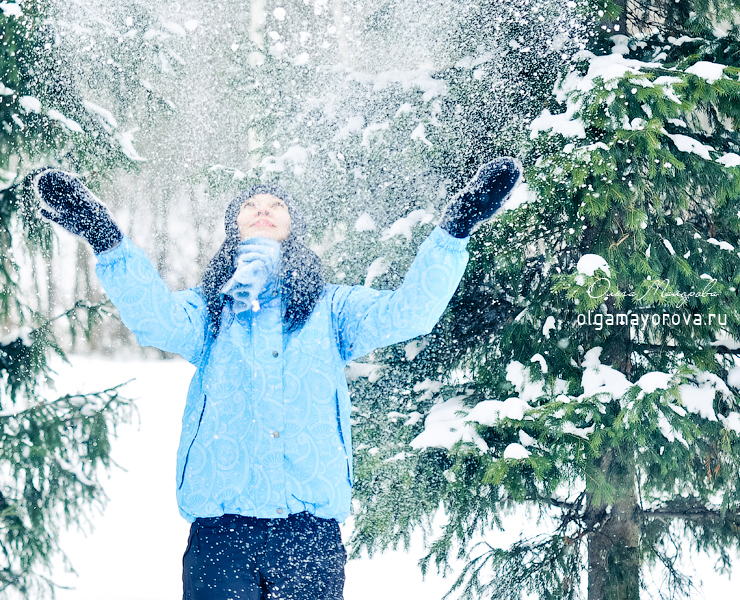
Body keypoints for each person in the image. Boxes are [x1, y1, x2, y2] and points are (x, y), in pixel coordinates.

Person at [34, 158, 521, 600]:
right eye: (250, 205)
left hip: (307, 533)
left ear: (294, 226)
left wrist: (454, 231)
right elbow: (155, 319)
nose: (262, 210)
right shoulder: (210, 309)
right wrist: (104, 237)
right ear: (234, 226)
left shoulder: (332, 308)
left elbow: (408, 313)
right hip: (222, 530)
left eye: (276, 205)